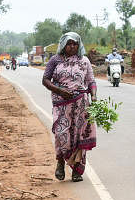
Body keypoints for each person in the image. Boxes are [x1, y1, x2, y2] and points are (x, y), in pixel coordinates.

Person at [41, 32, 97, 182]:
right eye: (69, 44)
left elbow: (91, 81)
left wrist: (94, 96)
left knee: (80, 136)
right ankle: (60, 162)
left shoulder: (84, 61)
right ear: (63, 45)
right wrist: (60, 91)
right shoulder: (55, 60)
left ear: (79, 45)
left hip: (81, 105)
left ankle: (77, 170)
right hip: (61, 104)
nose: (72, 47)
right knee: (62, 134)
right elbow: (45, 80)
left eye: (75, 44)